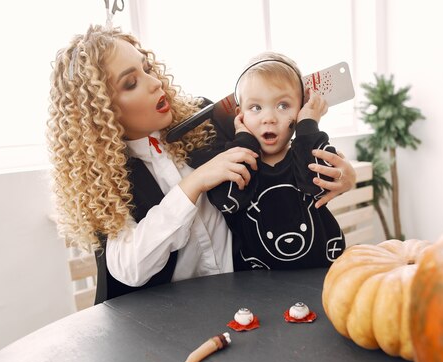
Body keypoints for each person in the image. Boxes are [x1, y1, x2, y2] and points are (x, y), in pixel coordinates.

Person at [47, 26, 355, 302]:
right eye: (131, 83)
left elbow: (282, 117)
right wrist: (193, 184)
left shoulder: (208, 121)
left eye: (147, 68)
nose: (155, 82)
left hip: (252, 293)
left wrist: (343, 171)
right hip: (176, 322)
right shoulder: (109, 180)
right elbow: (128, 268)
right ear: (100, 112)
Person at [207, 52, 347, 270]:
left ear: (301, 109)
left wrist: (308, 126)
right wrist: (243, 140)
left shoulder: (308, 150)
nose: (269, 118)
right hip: (258, 285)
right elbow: (228, 201)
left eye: (283, 106)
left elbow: (316, 183)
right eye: (255, 108)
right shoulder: (235, 159)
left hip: (321, 274)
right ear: (239, 115)